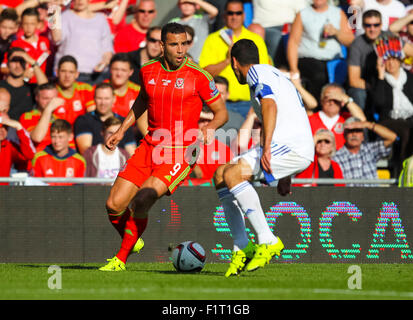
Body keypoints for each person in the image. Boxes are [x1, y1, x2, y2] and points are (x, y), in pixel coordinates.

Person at [98, 22, 227, 271]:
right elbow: (142, 101)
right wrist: (122, 130)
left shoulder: (199, 76)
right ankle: (132, 238)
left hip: (181, 151)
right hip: (149, 147)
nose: (180, 50)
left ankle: (120, 259)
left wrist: (208, 129)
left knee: (143, 198)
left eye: (184, 44)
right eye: (174, 44)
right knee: (113, 205)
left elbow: (221, 113)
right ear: (161, 46)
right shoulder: (147, 71)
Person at [213, 39, 314, 277]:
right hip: (290, 145)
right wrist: (285, 173)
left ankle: (267, 239)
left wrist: (267, 147)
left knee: (233, 174)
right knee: (220, 175)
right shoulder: (272, 72)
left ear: (234, 62)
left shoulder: (256, 73)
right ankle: (242, 245)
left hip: (289, 146)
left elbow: (270, 106)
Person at [199, 0, 269, 119]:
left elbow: (264, 73)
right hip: (220, 103)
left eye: (238, 13)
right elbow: (204, 74)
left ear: (244, 15)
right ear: (224, 15)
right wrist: (227, 60)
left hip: (248, 103)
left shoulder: (256, 40)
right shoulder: (212, 39)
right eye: (230, 13)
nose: (234, 17)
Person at [287, 0, 354, 101]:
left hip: (333, 60)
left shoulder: (338, 13)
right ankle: (316, 107)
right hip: (309, 58)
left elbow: (350, 41)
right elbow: (293, 42)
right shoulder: (303, 14)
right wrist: (294, 68)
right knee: (319, 75)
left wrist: (336, 32)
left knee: (347, 74)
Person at [50, 0, 114, 85]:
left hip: (98, 75)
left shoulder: (101, 19)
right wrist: (54, 13)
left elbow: (107, 49)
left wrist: (104, 63)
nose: (80, 1)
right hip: (72, 75)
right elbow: (56, 38)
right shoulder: (65, 16)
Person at [372, 55, 413, 176]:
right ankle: (402, 169)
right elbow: (379, 102)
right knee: (407, 131)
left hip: (409, 118)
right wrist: (380, 75)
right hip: (388, 120)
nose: (391, 63)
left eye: (394, 60)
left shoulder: (409, 78)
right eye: (387, 60)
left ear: (400, 61)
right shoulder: (378, 78)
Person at [74, 82, 137, 156]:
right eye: (99, 98)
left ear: (114, 99)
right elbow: (86, 152)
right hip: (94, 165)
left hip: (121, 165)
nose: (103, 102)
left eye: (106, 98)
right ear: (94, 99)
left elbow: (132, 154)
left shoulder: (124, 123)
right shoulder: (84, 120)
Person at [333, 116, 397, 186]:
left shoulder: (370, 149)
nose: (354, 134)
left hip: (373, 195)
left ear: (363, 136)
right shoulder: (336, 157)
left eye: (358, 131)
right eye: (350, 131)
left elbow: (392, 137)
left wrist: (368, 125)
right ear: (344, 135)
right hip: (351, 195)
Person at [247, 0, 309, 67]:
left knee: (297, 36)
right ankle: (273, 69)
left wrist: (295, 26)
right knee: (276, 37)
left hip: (290, 26)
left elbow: (303, 11)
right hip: (266, 27)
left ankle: (295, 69)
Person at [308, 83, 366, 150]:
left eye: (336, 99)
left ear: (342, 102)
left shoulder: (347, 118)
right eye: (328, 98)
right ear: (321, 100)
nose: (332, 102)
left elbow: (362, 120)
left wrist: (345, 98)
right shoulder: (309, 119)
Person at [31, 119, 86, 185]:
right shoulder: (39, 158)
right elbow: (34, 186)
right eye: (53, 137)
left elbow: (80, 190)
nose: (56, 141)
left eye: (60, 137)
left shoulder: (79, 161)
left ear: (70, 137)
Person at [0, 46, 48, 120]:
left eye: (22, 61)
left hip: (26, 129)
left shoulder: (31, 89)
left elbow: (46, 89)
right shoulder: (1, 86)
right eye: (14, 61)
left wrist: (32, 62)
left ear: (26, 65)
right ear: (7, 64)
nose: (18, 65)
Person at [19, 82, 68, 152]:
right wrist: (48, 109)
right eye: (45, 98)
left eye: (53, 99)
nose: (50, 102)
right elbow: (37, 138)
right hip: (38, 158)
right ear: (36, 98)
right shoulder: (27, 116)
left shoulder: (61, 115)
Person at [6, 7, 50, 83]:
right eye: (26, 23)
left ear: (38, 24)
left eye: (32, 24)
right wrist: (22, 74)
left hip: (41, 83)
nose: (29, 27)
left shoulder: (45, 41)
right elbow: (4, 67)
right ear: (21, 24)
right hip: (25, 84)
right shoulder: (16, 44)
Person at [55, 55, 95, 126]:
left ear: (77, 74)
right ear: (57, 72)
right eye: (63, 71)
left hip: (81, 132)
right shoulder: (51, 91)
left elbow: (92, 116)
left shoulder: (85, 89)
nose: (67, 75)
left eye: (71, 72)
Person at [0, 112, 36, 183]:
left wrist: (19, 127)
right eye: (0, 126)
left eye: (6, 127)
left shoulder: (8, 146)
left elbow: (29, 155)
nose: (2, 130)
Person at [106, 53, 140, 118]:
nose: (119, 74)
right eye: (115, 69)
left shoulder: (139, 92)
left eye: (123, 70)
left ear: (131, 72)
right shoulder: (99, 90)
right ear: (110, 70)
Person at [389, 5, 413, 73]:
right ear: (406, 24)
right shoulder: (402, 35)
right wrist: (411, 16)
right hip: (402, 77)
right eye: (412, 22)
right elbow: (391, 30)